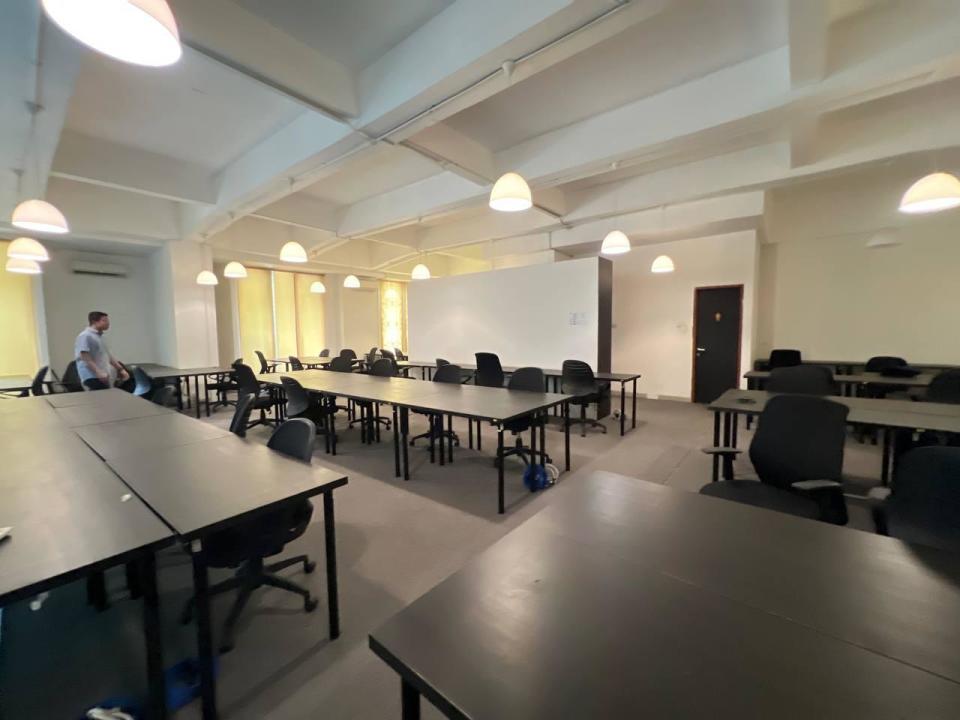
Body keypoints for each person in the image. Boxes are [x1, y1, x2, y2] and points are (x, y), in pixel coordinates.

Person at [75, 311, 129, 390]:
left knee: (108, 395)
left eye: (108, 321)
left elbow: (108, 356)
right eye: (104, 320)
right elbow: (85, 356)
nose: (108, 323)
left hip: (103, 375)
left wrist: (121, 369)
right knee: (103, 396)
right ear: (94, 322)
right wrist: (98, 372)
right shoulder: (85, 335)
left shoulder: (100, 337)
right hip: (91, 376)